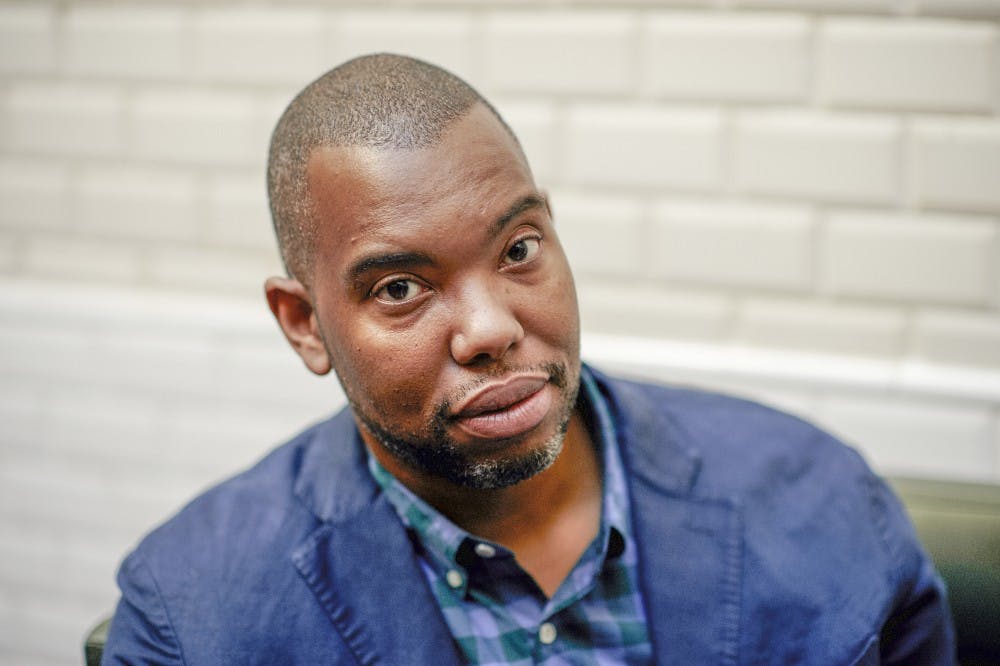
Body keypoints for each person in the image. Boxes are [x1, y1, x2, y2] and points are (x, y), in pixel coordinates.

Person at [102, 53, 954, 665]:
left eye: (517, 249)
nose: (489, 329)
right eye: (400, 288)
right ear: (305, 324)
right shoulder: (194, 614)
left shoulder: (823, 501)